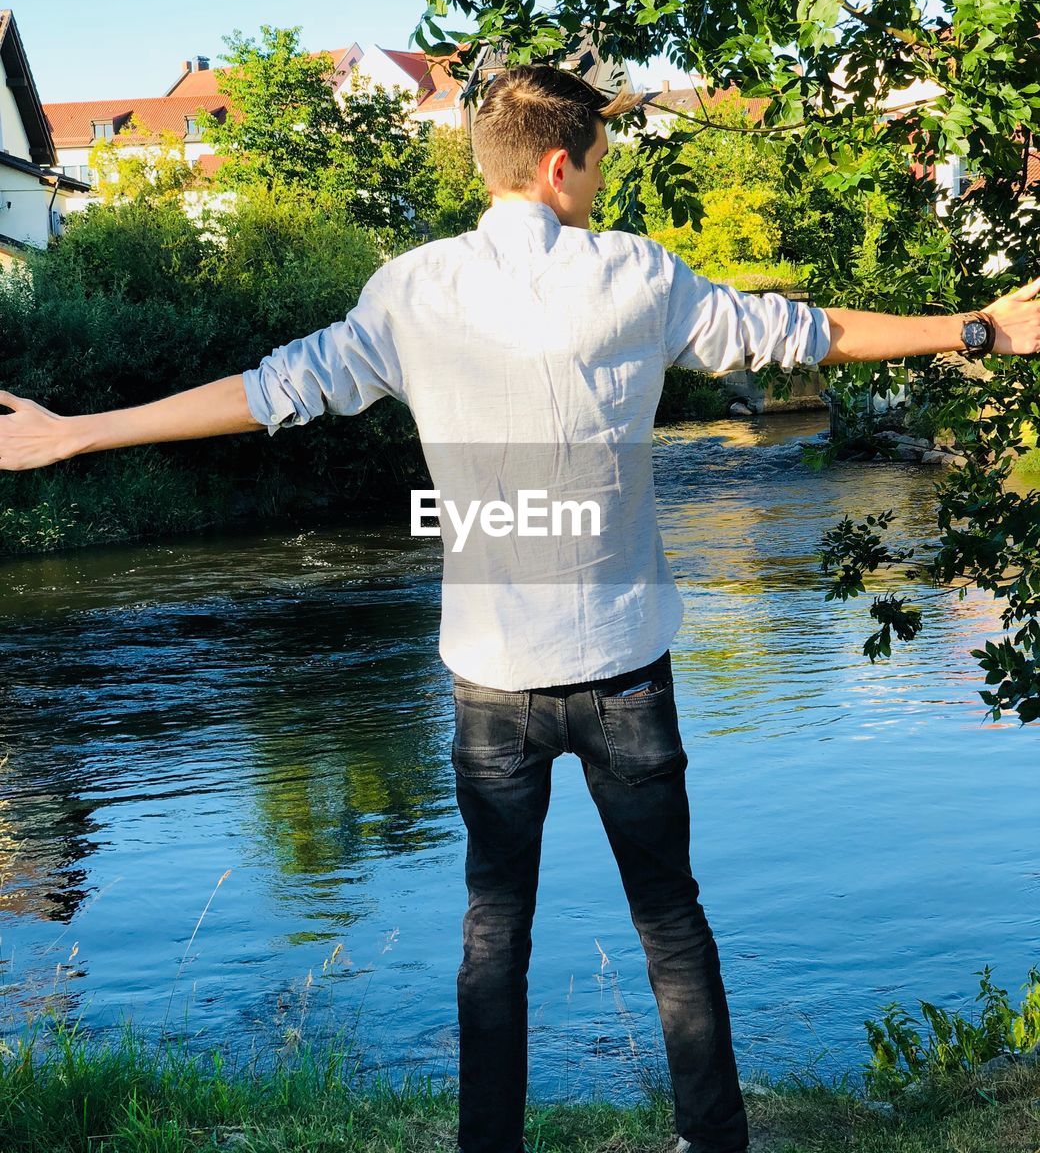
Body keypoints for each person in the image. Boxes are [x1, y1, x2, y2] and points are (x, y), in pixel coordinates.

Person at [1, 65, 1039, 1153]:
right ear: (559, 163)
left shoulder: (409, 289)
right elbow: (799, 332)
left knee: (492, 927)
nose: (601, 178)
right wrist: (973, 330)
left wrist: (77, 431)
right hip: (624, 670)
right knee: (668, 918)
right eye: (598, 160)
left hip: (490, 683)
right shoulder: (635, 275)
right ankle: (713, 1141)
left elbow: (268, 392)